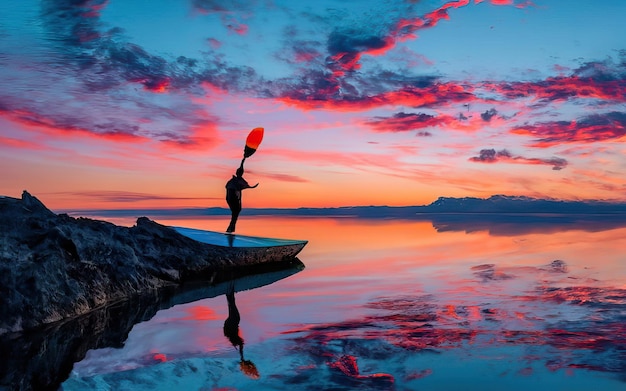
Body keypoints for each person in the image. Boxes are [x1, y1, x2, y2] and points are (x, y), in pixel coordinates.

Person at [225, 166, 258, 233]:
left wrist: (243, 160)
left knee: (236, 212)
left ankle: (231, 228)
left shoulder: (233, 180)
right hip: (232, 198)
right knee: (236, 211)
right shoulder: (235, 181)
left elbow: (244, 185)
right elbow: (244, 185)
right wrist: (251, 187)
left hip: (231, 198)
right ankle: (230, 228)